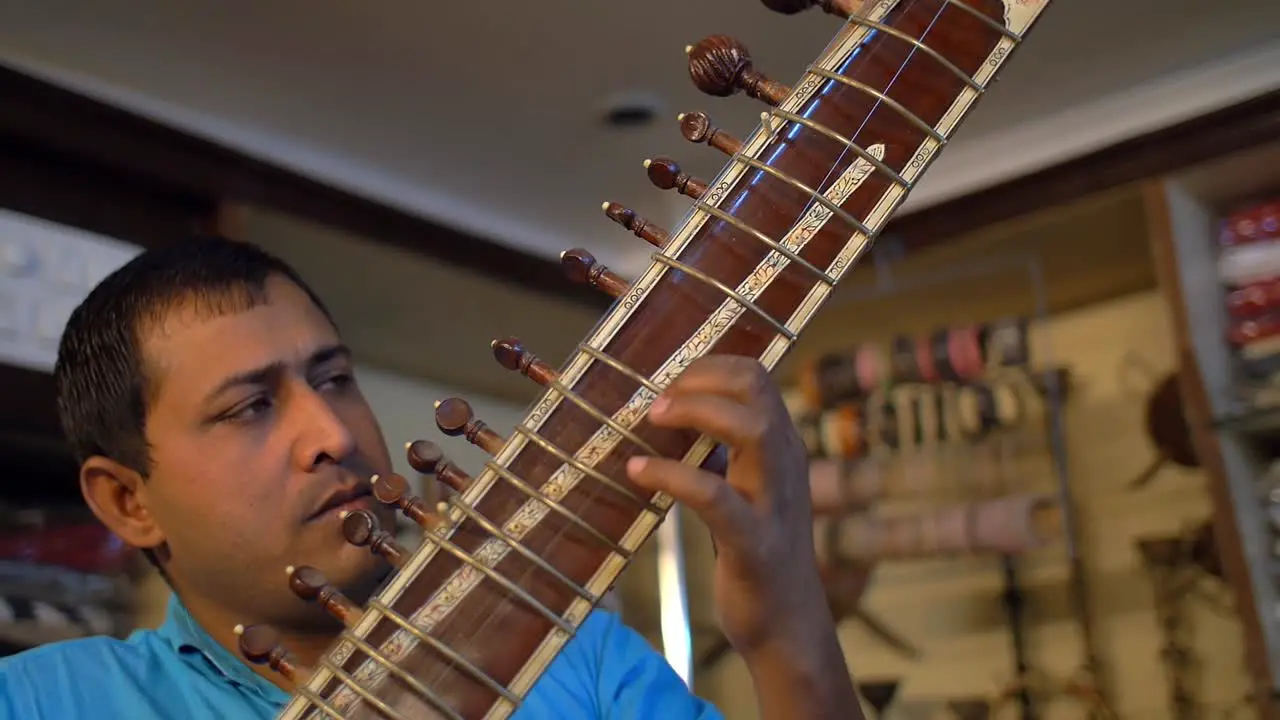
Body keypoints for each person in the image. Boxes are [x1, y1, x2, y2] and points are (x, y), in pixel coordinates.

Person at [0, 236, 860, 719]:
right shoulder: (45, 704)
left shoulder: (578, 660)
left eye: (335, 378)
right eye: (249, 408)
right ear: (128, 500)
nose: (331, 432)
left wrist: (788, 630)